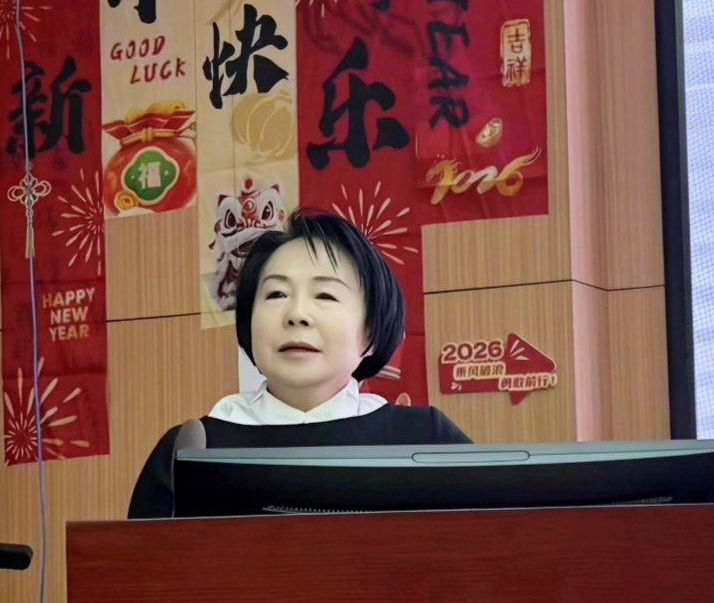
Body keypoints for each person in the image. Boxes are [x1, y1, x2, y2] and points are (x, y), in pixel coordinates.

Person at [129, 209, 471, 519]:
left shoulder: (425, 438)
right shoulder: (192, 449)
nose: (296, 314)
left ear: (370, 333)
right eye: (276, 294)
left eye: (325, 295)